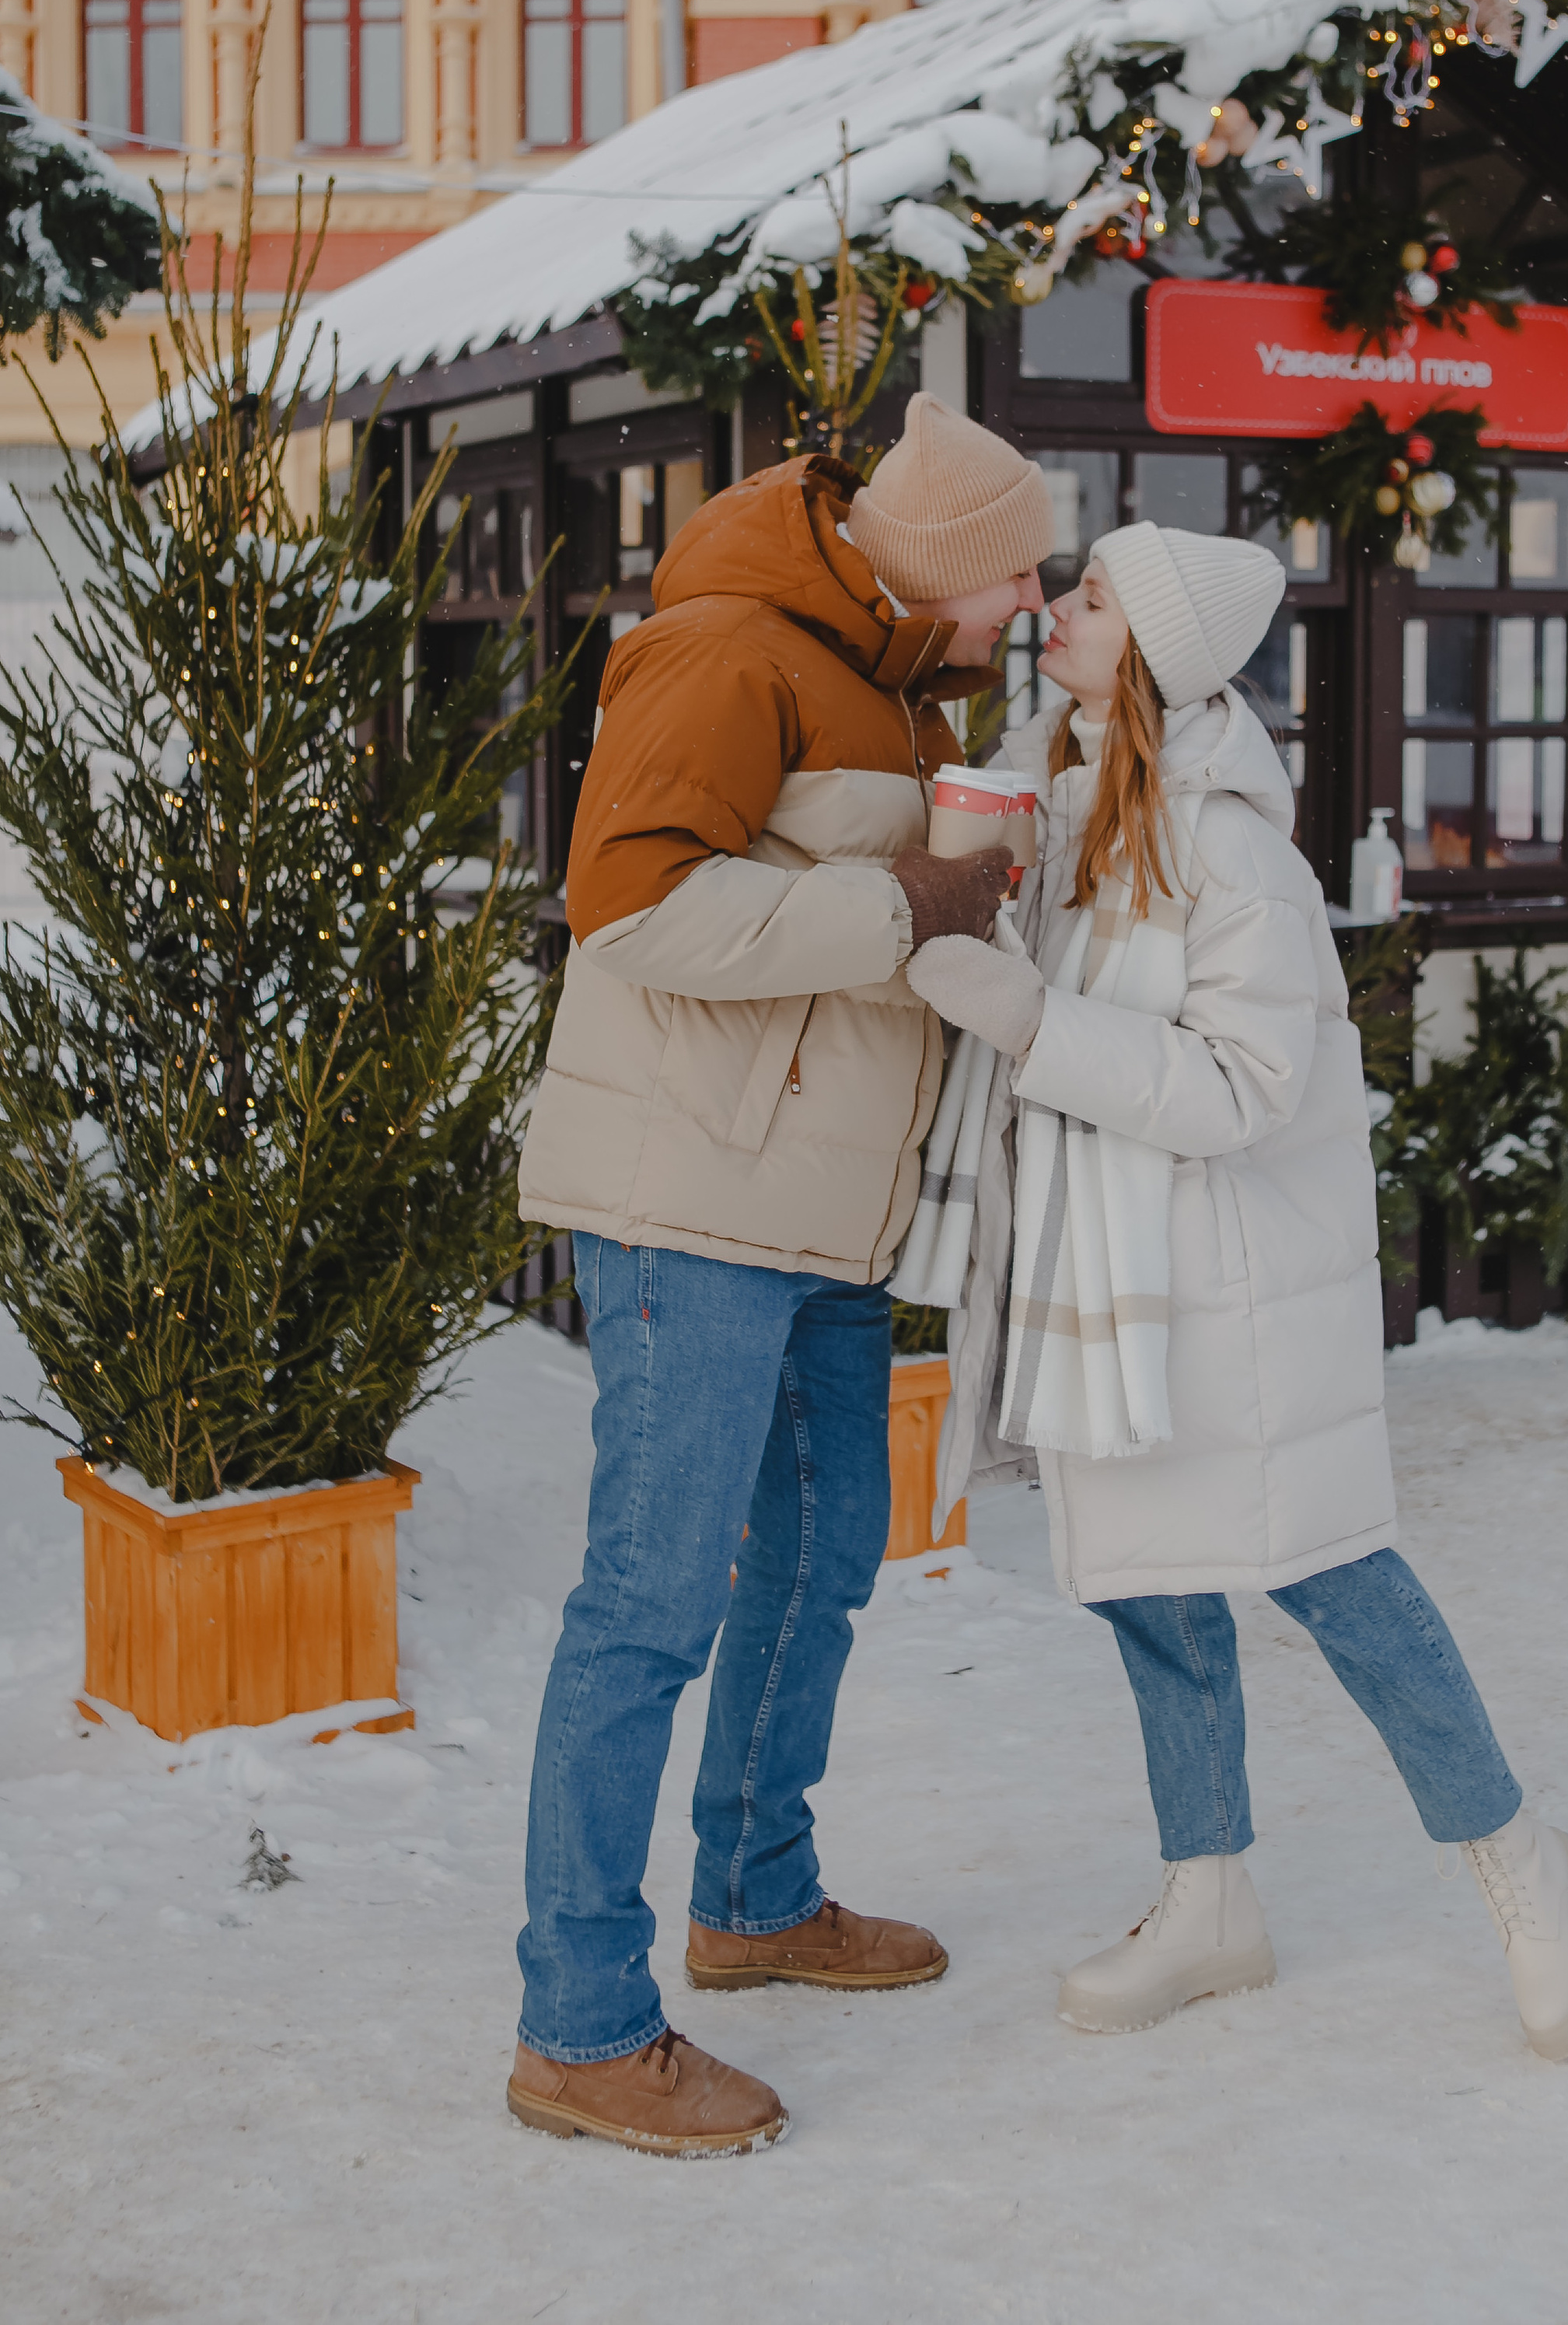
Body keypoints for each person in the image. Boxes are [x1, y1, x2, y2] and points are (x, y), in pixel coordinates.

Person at [903, 524, 1568, 2061]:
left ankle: (1519, 1859)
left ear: (1153, 654)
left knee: (1335, 1579)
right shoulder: (1060, 804)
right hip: (1103, 1284)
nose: (1057, 609)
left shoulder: (1234, 857)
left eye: (1092, 598)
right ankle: (1207, 1896)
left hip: (1223, 1289)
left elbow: (1240, 1089)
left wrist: (1031, 1020)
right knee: (1150, 1591)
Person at [508, 395, 1053, 2157]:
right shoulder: (728, 650)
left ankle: (752, 1895)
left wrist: (966, 888)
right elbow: (630, 910)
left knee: (822, 1556)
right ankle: (579, 2028)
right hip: (693, 1202)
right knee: (651, 1601)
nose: (1031, 606)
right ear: (946, 564)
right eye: (1017, 577)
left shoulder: (899, 679)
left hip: (822, 1213)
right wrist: (907, 903)